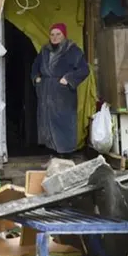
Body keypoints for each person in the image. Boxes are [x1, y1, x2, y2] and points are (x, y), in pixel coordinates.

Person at [31, 23, 90, 156]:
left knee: (64, 124)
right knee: (47, 124)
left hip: (63, 95)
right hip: (46, 92)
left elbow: (84, 70)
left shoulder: (73, 50)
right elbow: (35, 66)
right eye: (52, 34)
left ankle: (66, 156)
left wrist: (68, 79)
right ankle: (54, 157)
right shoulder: (45, 50)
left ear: (64, 35)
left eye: (58, 34)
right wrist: (36, 78)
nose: (55, 37)